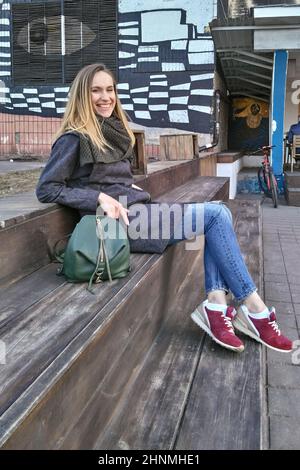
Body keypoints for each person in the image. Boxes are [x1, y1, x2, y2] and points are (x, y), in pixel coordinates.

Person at [36, 63, 294, 354]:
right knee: (216, 215)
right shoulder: (74, 138)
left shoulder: (113, 131)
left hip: (140, 212)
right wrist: (98, 198)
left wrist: (125, 188)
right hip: (119, 226)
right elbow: (47, 188)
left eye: (110, 89)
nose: (105, 97)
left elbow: (109, 177)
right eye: (96, 90)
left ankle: (218, 306)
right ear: (83, 95)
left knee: (214, 217)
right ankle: (254, 309)